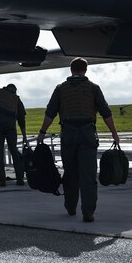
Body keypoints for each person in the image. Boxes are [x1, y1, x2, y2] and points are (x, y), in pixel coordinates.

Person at [37, 58, 119, 222]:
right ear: (85, 70)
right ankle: (88, 212)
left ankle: (70, 206)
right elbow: (106, 112)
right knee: (88, 175)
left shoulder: (60, 89)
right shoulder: (94, 88)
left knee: (70, 173)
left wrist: (42, 133)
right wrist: (114, 134)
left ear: (71, 70)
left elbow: (50, 113)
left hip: (68, 134)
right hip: (87, 134)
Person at [0, 83, 27, 187]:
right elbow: (21, 119)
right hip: (11, 128)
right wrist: (24, 135)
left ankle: (2, 180)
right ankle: (20, 179)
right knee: (14, 151)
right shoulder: (16, 99)